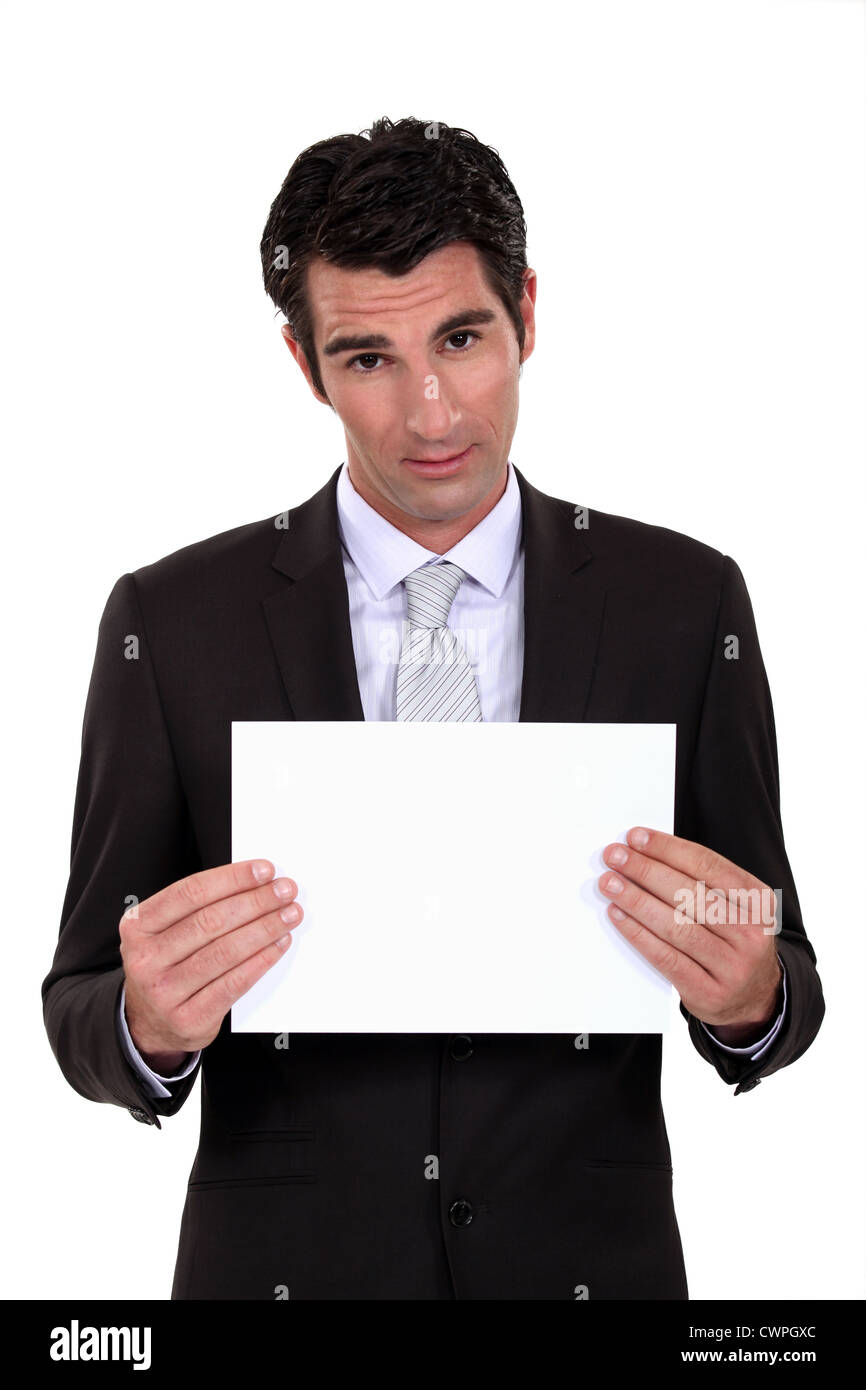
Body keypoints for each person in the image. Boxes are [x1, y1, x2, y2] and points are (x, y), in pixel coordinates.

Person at [42, 116, 824, 1300]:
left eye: (460, 338)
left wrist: (750, 996)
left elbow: (779, 961)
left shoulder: (684, 601)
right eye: (366, 358)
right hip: (284, 1278)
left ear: (525, 313)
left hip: (587, 1272)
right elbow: (81, 1004)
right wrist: (147, 1025)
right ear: (305, 366)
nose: (430, 414)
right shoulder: (172, 622)